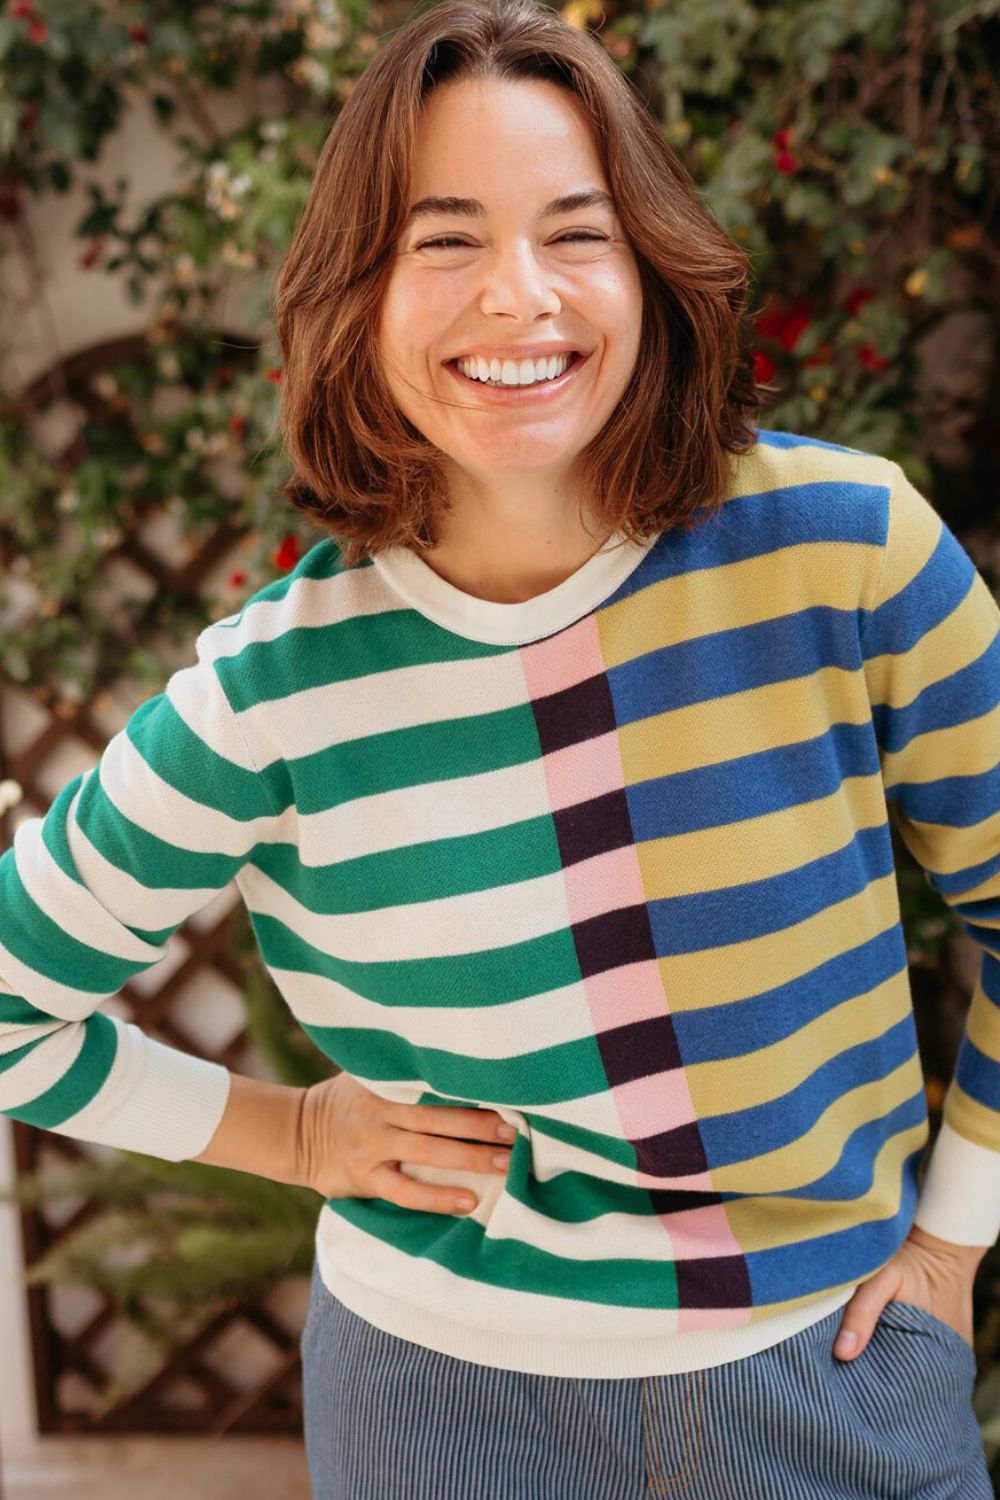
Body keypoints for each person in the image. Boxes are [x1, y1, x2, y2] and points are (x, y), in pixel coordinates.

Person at [1, 0, 997, 1494]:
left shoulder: (848, 550)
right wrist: (292, 1134)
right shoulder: (273, 687)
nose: (518, 297)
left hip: (835, 1375)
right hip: (435, 1410)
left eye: (575, 233)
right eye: (444, 238)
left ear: (650, 265)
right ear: (357, 290)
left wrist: (954, 1240)